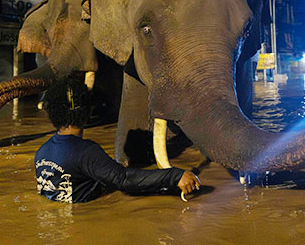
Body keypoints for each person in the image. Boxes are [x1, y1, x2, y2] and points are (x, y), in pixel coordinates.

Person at [35, 77, 200, 203]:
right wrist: (174, 176)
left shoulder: (41, 153)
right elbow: (123, 179)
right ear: (86, 112)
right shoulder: (86, 152)